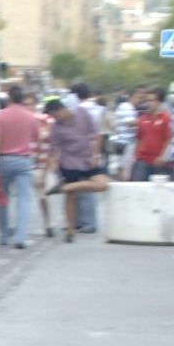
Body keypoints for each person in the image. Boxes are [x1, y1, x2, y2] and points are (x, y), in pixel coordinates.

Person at [45, 92, 104, 239]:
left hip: (87, 158)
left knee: (102, 185)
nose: (55, 118)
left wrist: (95, 155)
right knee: (71, 197)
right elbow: (54, 148)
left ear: (61, 109)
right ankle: (71, 229)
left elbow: (96, 134)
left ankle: (65, 187)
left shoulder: (82, 113)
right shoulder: (57, 127)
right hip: (69, 162)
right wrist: (52, 165)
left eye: (55, 115)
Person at [0, 84, 40, 249]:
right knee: (25, 199)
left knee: (3, 199)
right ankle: (20, 237)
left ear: (9, 98)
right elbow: (36, 138)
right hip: (24, 160)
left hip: (5, 159)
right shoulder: (30, 117)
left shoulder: (0, 116)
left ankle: (4, 235)